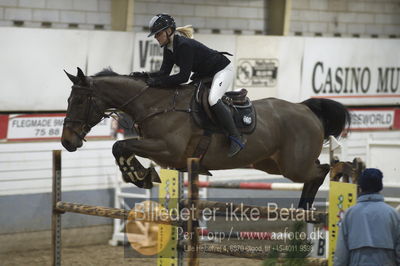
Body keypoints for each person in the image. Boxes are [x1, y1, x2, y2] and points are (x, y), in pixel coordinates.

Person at [131, 14, 245, 157]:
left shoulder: (184, 45)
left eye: (158, 34)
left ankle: (236, 137)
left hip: (222, 70)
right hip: (205, 74)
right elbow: (164, 72)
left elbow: (183, 77)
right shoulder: (169, 48)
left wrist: (157, 82)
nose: (155, 37)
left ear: (168, 31)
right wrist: (144, 76)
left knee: (213, 99)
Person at [334, 168, 400, 266]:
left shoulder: (350, 215)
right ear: (380, 187)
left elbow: (341, 255)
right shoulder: (392, 214)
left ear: (360, 187)